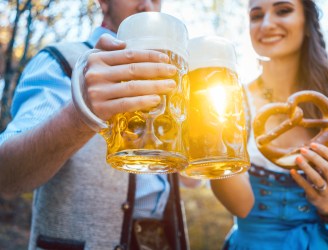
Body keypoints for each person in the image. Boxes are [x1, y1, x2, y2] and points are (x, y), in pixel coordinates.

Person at [0, 0, 198, 249]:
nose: (147, 4)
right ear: (104, 3)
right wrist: (79, 115)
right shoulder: (61, 59)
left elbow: (192, 181)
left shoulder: (172, 72)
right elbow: (6, 174)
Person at [211, 0, 328, 249]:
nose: (266, 24)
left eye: (283, 10)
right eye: (256, 15)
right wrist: (213, 146)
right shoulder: (231, 102)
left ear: (308, 23)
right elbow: (241, 207)